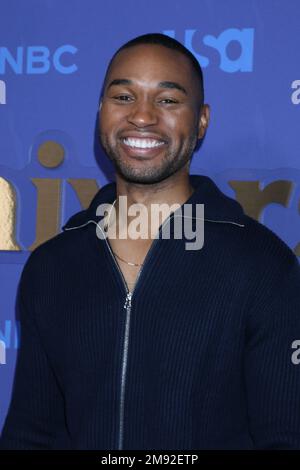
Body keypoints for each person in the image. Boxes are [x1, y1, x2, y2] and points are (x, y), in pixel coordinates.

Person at [1, 32, 300, 450]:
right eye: (123, 97)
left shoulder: (262, 265)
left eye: (167, 100)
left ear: (201, 121)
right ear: (101, 111)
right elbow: (31, 435)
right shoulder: (53, 266)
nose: (142, 116)